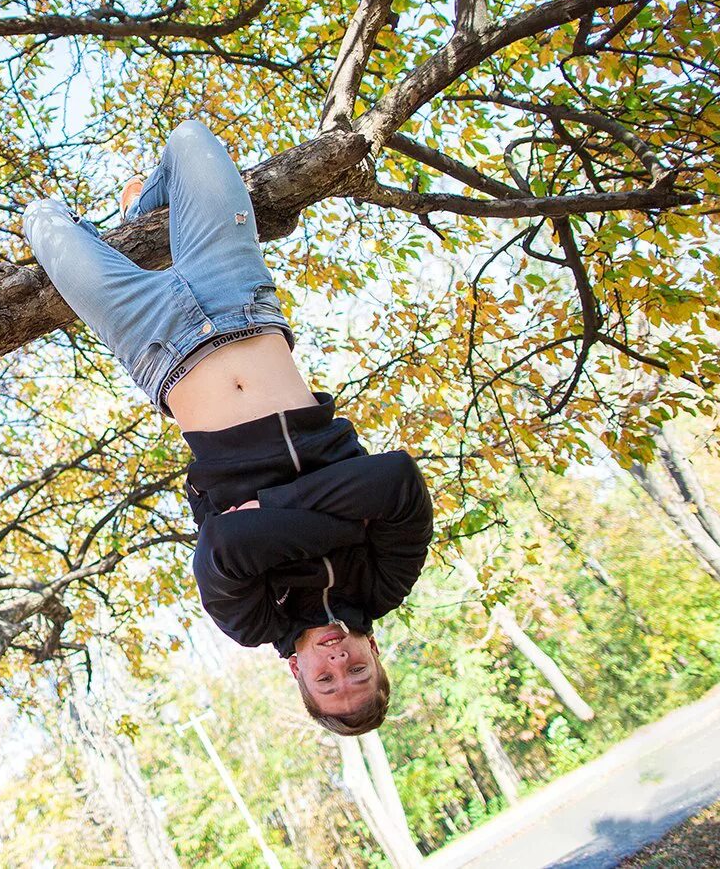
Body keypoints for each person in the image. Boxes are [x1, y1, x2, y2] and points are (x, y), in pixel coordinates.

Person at [23, 120, 433, 735]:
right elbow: (397, 479)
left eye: (327, 681)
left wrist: (337, 517)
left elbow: (222, 550)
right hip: (242, 301)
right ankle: (144, 210)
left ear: (297, 675)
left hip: (155, 341)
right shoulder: (387, 578)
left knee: (42, 220)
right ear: (377, 658)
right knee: (190, 140)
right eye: (358, 674)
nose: (339, 664)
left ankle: (127, 228)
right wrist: (261, 512)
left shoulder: (253, 623)